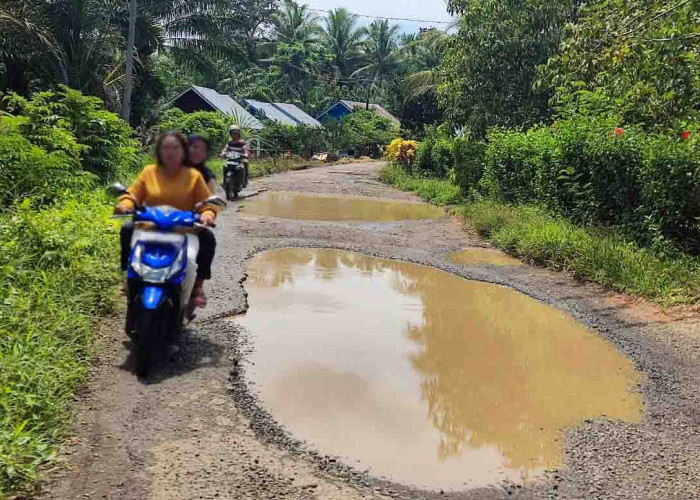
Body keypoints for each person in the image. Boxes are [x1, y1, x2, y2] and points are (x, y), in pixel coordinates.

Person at [116, 131, 218, 308]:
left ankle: (196, 287)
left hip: (184, 230)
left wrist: (207, 214)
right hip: (150, 227)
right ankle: (128, 277)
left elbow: (206, 203)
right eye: (166, 147)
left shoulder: (194, 177)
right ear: (159, 151)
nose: (170, 152)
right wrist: (125, 204)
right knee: (126, 229)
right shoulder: (149, 172)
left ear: (183, 151)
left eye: (175, 148)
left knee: (208, 239)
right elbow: (133, 195)